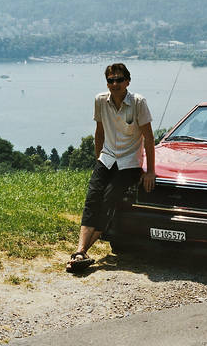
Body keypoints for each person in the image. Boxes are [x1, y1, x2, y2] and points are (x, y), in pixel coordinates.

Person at [66, 63, 156, 273]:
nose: (114, 84)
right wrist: (98, 158)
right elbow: (99, 132)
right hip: (106, 159)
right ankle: (80, 251)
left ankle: (81, 253)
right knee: (92, 200)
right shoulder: (100, 101)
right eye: (110, 80)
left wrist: (149, 171)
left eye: (118, 79)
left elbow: (149, 139)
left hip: (129, 163)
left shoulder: (138, 103)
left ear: (127, 81)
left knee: (108, 200)